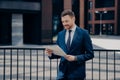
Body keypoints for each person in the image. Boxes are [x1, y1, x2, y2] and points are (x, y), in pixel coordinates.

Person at [45, 9, 94, 80]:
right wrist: (50, 54)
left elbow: (90, 54)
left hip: (77, 74)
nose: (64, 24)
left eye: (66, 21)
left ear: (73, 19)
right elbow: (59, 53)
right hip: (61, 74)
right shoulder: (60, 34)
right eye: (63, 22)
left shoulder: (84, 33)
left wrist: (75, 58)